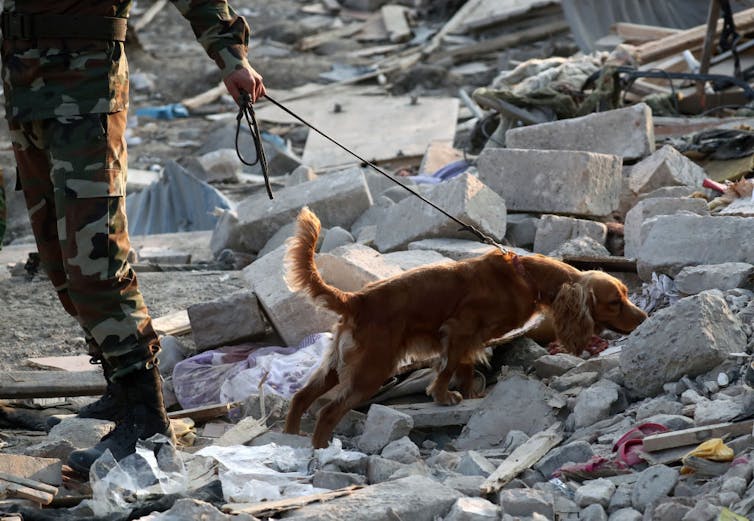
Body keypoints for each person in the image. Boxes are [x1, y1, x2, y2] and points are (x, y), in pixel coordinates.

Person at [0, 1, 265, 475]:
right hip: (27, 97)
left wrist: (232, 58)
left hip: (86, 96)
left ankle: (148, 420)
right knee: (61, 262)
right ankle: (120, 392)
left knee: (96, 259)